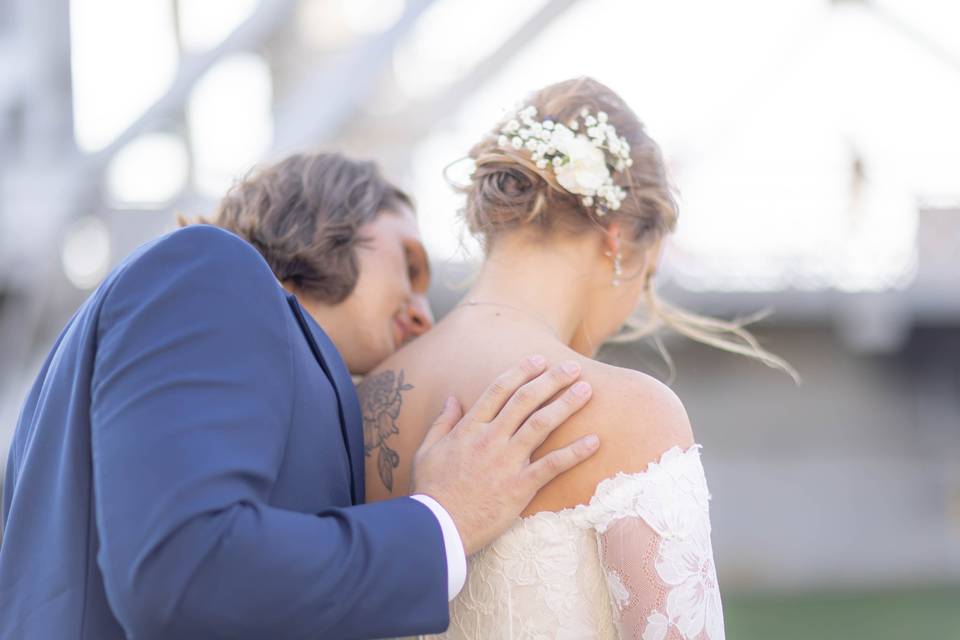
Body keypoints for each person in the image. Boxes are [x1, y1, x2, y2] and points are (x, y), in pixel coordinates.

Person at [0, 152, 602, 639]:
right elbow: (184, 571)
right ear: (334, 215)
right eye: (409, 265)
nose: (422, 314)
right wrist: (442, 520)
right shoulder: (211, 269)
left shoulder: (264, 359)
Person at [360, 77, 798, 639]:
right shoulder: (631, 413)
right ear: (616, 241)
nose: (631, 306)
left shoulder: (368, 397)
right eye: (648, 277)